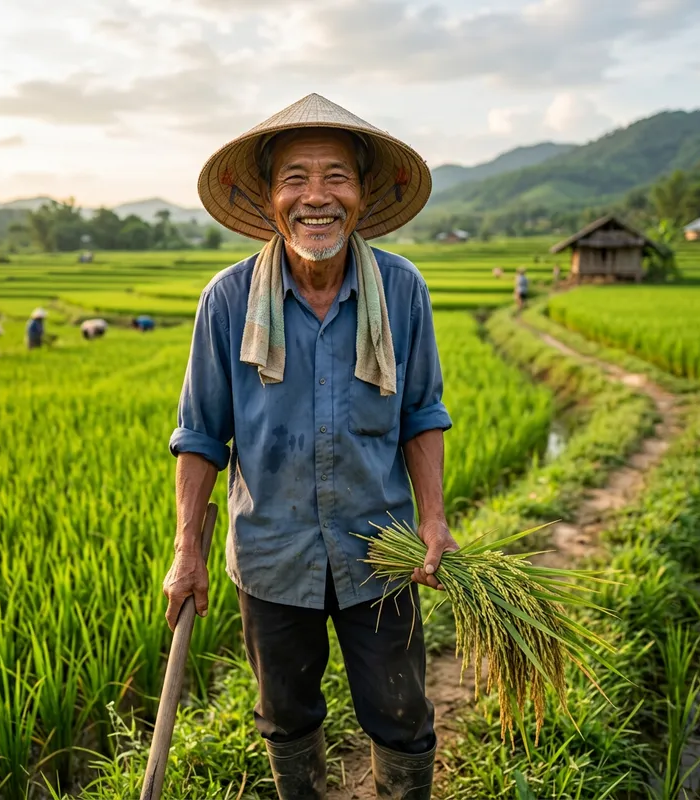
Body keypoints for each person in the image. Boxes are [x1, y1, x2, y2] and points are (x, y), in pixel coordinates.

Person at [164, 93, 457, 800]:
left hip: (379, 551)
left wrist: (434, 520)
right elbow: (201, 434)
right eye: (295, 178)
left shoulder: (402, 290)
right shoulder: (228, 300)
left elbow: (421, 413)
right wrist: (186, 550)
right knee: (286, 716)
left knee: (402, 714)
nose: (316, 197)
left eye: (336, 178)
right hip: (271, 554)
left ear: (363, 195)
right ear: (268, 199)